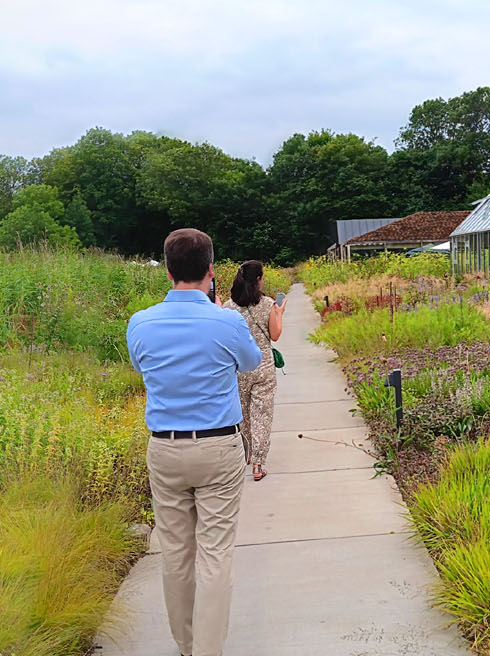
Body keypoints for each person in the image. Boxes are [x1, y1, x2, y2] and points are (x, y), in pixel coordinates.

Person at [125, 229, 263, 656]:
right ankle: (208, 650)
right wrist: (219, 314)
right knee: (216, 552)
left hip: (164, 448)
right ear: (210, 271)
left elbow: (140, 365)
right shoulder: (226, 320)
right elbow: (252, 362)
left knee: (176, 553)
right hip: (218, 446)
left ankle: (185, 646)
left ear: (168, 272)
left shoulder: (140, 322)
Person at [220, 260, 283, 482]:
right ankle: (258, 463)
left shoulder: (228, 307)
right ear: (258, 279)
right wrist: (280, 312)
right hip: (263, 366)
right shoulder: (268, 303)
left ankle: (247, 453)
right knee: (262, 415)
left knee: (243, 415)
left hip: (238, 368)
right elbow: (275, 335)